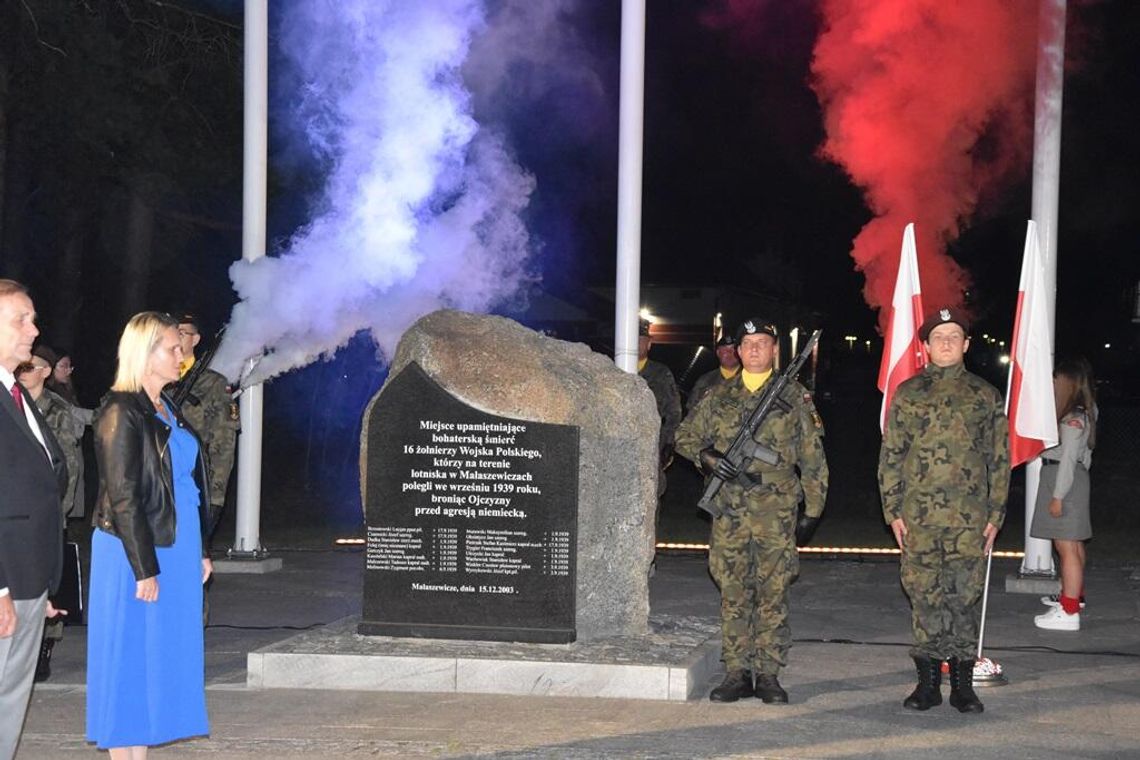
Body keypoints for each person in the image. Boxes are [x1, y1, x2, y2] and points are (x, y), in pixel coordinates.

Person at [675, 317, 828, 704]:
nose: (755, 349)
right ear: (738, 351)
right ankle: (736, 672)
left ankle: (769, 673)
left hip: (775, 510)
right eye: (748, 344)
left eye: (763, 342)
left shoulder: (794, 397)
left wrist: (812, 510)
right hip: (730, 511)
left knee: (773, 592)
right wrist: (707, 457)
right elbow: (684, 437)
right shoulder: (718, 396)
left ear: (775, 350)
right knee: (733, 592)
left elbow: (813, 458)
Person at [87, 311, 213, 757]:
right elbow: (123, 497)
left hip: (174, 547)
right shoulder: (121, 409)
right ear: (144, 351)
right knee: (129, 663)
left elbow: (186, 485)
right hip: (134, 551)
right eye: (172, 347)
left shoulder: (165, 407)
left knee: (158, 661)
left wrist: (200, 549)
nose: (182, 355)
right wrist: (144, 568)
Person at [878, 307, 1010, 714]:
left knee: (964, 598)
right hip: (918, 519)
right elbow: (891, 455)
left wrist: (995, 516)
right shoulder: (909, 393)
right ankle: (928, 685)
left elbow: (999, 460)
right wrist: (893, 510)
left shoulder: (985, 395)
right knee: (924, 597)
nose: (947, 342)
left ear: (967, 344)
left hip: (969, 521)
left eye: (955, 336)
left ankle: (963, 687)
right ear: (925, 346)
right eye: (939, 337)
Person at [0, 279, 67, 760]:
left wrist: (42, 583)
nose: (34, 329)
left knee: (10, 699)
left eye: (33, 316)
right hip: (6, 581)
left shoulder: (16, 395)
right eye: (21, 319)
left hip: (27, 578)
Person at [16, 348, 89, 682]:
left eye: (31, 367)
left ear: (46, 373)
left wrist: (57, 513)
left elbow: (66, 468)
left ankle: (46, 645)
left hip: (46, 510)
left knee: (48, 580)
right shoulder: (10, 403)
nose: (24, 370)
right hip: (15, 509)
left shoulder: (56, 411)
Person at [1031, 357, 1096, 632]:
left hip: (1063, 481)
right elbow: (1085, 456)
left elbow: (1068, 459)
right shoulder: (1085, 412)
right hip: (1072, 480)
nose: (1053, 384)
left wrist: (1058, 495)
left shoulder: (1072, 419)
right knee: (1074, 545)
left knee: (1066, 547)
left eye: (1057, 380)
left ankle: (1069, 612)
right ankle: (1073, 599)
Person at [637, 319, 682, 472]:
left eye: (641, 341)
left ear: (649, 344)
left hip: (652, 443)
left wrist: (668, 443)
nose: (637, 344)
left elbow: (674, 412)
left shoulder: (661, 373)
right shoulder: (615, 370)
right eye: (633, 339)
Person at [687, 333, 741, 411]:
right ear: (718, 353)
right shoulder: (705, 381)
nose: (730, 353)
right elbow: (691, 410)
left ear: (740, 352)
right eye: (725, 350)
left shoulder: (750, 378)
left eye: (733, 349)